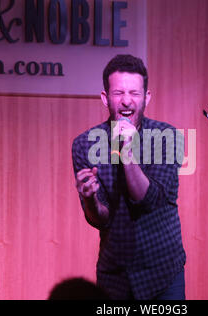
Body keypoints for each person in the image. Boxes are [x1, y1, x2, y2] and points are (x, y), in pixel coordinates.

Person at [71, 54, 186, 300]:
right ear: (105, 98)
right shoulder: (84, 144)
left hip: (162, 273)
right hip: (115, 276)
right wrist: (90, 199)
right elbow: (100, 219)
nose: (126, 101)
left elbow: (149, 200)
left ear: (146, 98)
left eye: (134, 93)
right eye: (118, 93)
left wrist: (126, 151)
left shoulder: (168, 136)